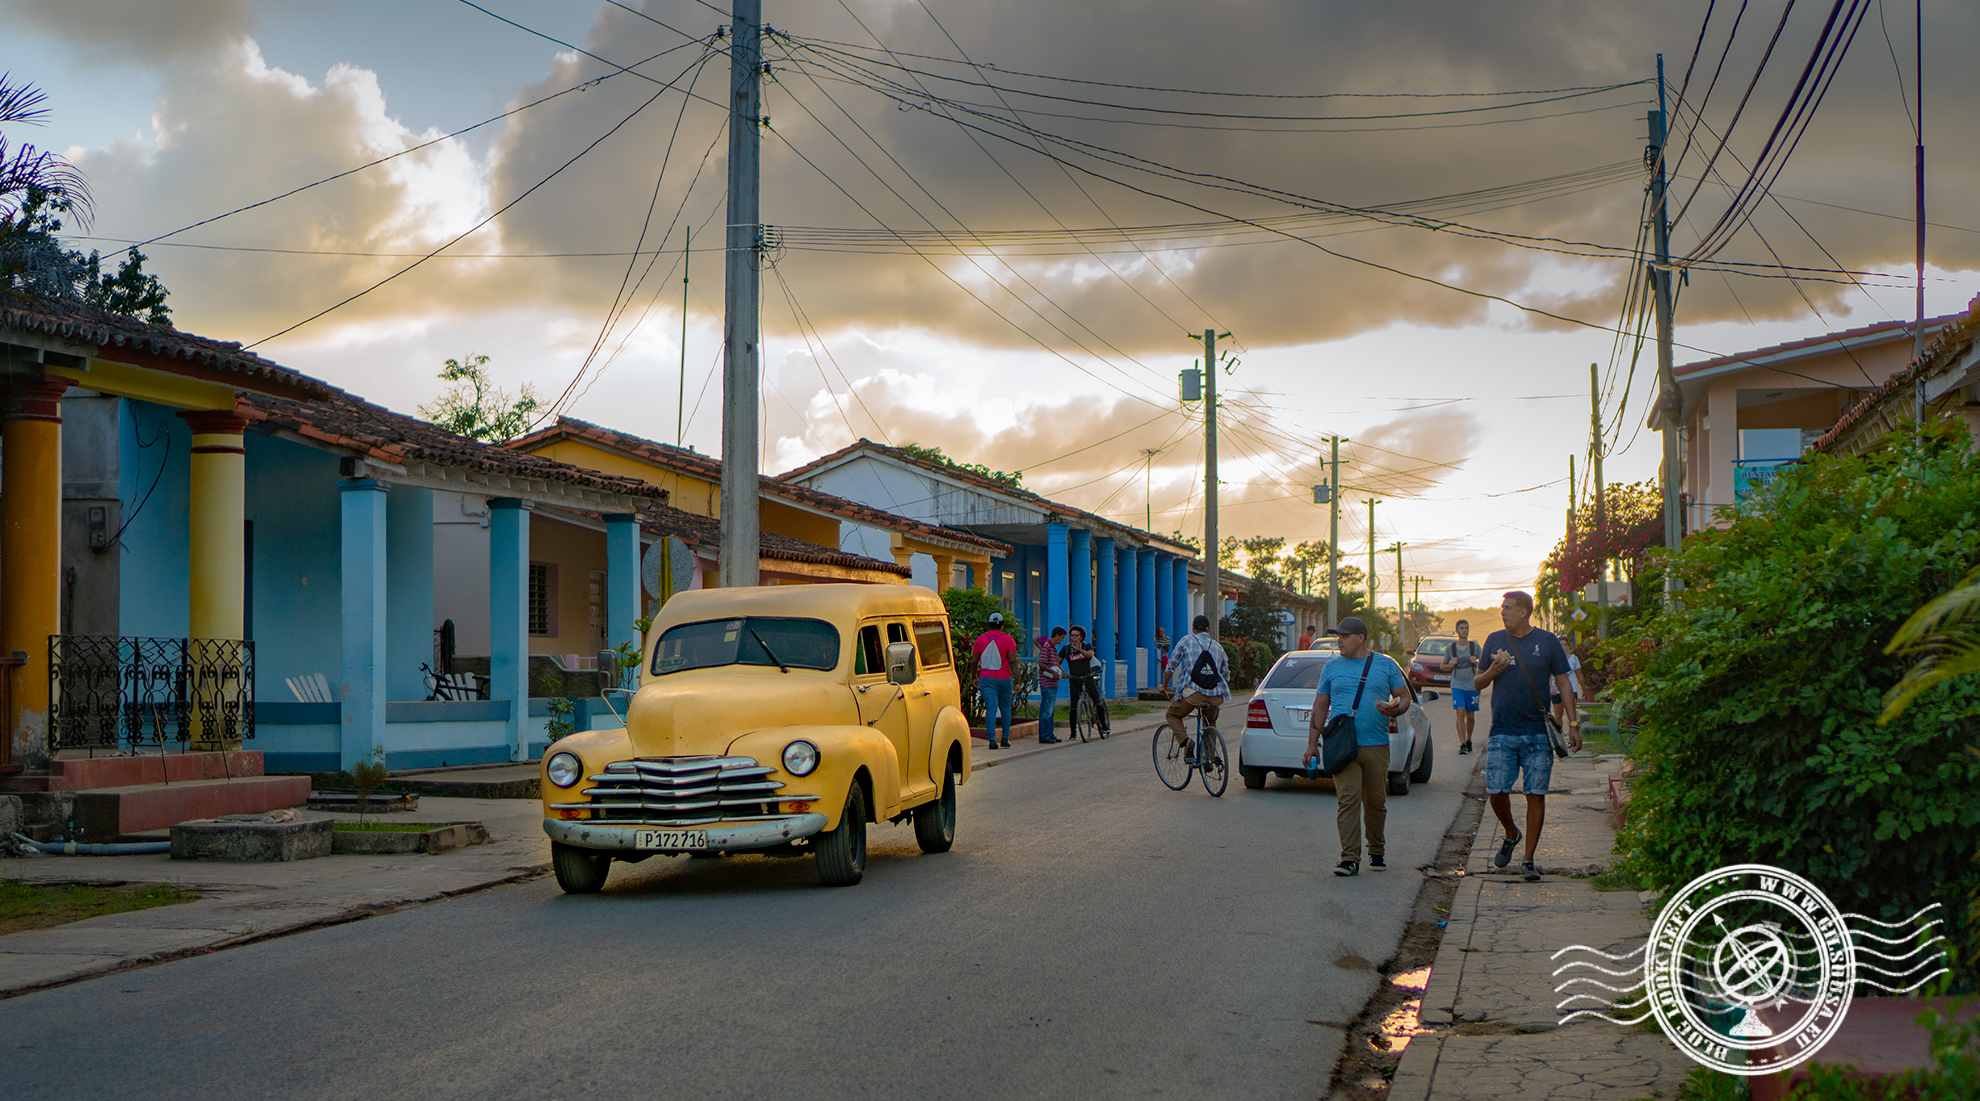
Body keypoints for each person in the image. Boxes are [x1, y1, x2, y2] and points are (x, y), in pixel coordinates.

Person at [1472, 590, 1581, 882]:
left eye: (1507, 608)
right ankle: (1511, 832)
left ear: (1523, 612)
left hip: (1537, 733)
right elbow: (1477, 683)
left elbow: (1563, 682)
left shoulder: (1546, 642)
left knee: (1536, 795)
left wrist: (1573, 723)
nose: (1502, 612)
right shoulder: (1494, 640)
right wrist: (1494, 670)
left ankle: (1528, 860)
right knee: (1496, 792)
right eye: (1502, 607)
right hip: (1502, 731)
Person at [1301, 617, 1410, 877]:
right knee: (1347, 800)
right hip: (1342, 746)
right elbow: (1320, 707)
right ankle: (1349, 858)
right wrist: (1311, 745)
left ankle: (1377, 850)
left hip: (1376, 745)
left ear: (1360, 637)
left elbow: (1404, 697)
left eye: (1344, 636)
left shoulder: (1386, 665)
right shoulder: (1331, 667)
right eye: (1338, 635)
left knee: (1375, 802)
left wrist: (1395, 709)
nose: (1339, 640)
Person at [1162, 615, 1229, 753]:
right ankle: (1210, 758)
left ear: (1193, 629)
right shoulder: (1218, 647)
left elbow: (1171, 667)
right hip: (1214, 696)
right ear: (1209, 629)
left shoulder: (1187, 640)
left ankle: (1186, 743)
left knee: (1172, 715)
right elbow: (1225, 674)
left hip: (1192, 693)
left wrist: (1164, 686)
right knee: (1210, 722)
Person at [972, 612, 1019, 749]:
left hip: (986, 679)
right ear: (1003, 624)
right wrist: (1018, 681)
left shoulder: (980, 639)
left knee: (990, 709)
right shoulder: (1009, 640)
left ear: (989, 624)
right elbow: (1013, 661)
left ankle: (992, 741)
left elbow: (974, 661)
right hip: (1004, 678)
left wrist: (974, 676)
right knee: (1005, 707)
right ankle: (1005, 738)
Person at [1440, 619, 1483, 754]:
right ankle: (1462, 743)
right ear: (1457, 631)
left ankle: (1469, 739)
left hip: (1472, 685)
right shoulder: (1451, 649)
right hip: (1457, 684)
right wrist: (1451, 664)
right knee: (1460, 712)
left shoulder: (1475, 647)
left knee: (1470, 715)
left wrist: (1475, 662)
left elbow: (1484, 665)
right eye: (1462, 628)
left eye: (1466, 628)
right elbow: (1443, 666)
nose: (1464, 630)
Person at [1060, 625, 1109, 736]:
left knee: (1097, 700)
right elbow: (1057, 661)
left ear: (1081, 637)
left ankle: (1103, 725)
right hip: (1074, 679)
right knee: (1073, 706)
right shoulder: (1066, 649)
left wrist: (1079, 649)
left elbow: (1089, 656)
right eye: (1072, 636)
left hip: (1087, 678)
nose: (1074, 638)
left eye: (1076, 636)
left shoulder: (1087, 646)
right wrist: (1062, 672)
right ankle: (1073, 732)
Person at [1036, 627, 1066, 744]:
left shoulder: (1053, 649)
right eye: (1062, 637)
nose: (1062, 640)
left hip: (1053, 683)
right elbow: (1041, 663)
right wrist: (1052, 672)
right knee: (1046, 711)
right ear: (1057, 635)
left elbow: (1055, 663)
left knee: (1050, 711)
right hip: (1047, 684)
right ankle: (1044, 735)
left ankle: (1049, 733)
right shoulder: (1047, 647)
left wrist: (1061, 672)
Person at [1550, 650, 1583, 730]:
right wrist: (1551, 686)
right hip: (1557, 691)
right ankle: (1559, 735)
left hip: (1572, 689)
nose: (1563, 647)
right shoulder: (1552, 658)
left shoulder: (1574, 659)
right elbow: (1548, 674)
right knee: (1558, 715)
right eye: (1561, 645)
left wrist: (1584, 689)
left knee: (1571, 714)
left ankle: (1573, 732)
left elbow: (1579, 675)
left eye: (1565, 645)